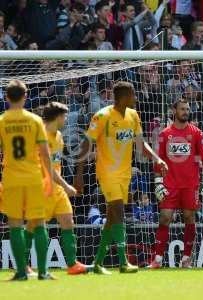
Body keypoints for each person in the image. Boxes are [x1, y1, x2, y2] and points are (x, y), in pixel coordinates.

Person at [74, 81, 167, 275]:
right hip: (107, 172)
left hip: (125, 173)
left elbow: (141, 145)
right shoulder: (102, 116)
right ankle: (124, 262)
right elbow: (86, 144)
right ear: (124, 96)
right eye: (133, 94)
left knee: (112, 217)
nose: (136, 98)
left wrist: (157, 159)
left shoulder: (133, 115)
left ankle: (98, 263)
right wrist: (79, 174)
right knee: (118, 210)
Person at [25, 102, 88, 275]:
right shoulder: (40, 135)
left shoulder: (59, 135)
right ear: (57, 117)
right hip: (41, 187)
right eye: (64, 116)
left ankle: (72, 264)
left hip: (56, 189)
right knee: (33, 226)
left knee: (68, 221)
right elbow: (47, 167)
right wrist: (66, 185)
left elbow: (56, 163)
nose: (66, 119)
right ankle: (23, 264)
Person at [148, 99, 203, 268]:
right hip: (170, 184)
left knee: (190, 218)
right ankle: (158, 259)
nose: (186, 111)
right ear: (174, 111)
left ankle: (186, 259)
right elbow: (158, 160)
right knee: (165, 218)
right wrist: (158, 182)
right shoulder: (164, 134)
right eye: (182, 109)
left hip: (190, 185)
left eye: (187, 109)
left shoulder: (196, 133)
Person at [0, 80, 54, 280]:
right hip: (33, 177)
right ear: (25, 96)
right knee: (39, 223)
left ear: (7, 97)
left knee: (15, 224)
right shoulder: (35, 120)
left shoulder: (2, 121)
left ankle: (21, 272)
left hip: (11, 179)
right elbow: (45, 154)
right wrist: (49, 177)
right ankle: (43, 272)